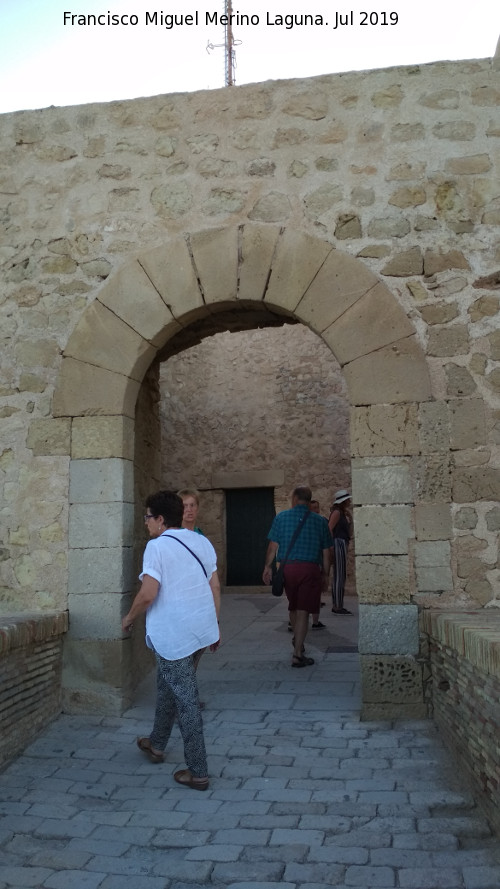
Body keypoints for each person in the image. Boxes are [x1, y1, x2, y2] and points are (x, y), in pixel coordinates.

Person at [121, 490, 221, 791]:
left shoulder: (157, 547)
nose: (146, 523)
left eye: (148, 517)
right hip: (199, 632)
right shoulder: (201, 541)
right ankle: (156, 743)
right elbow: (214, 585)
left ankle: (198, 771)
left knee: (186, 700)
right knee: (169, 686)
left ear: (161, 519)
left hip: (175, 635)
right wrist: (214, 624)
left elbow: (148, 593)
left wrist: (129, 618)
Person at [262, 485, 332, 667]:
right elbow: (326, 552)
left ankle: (297, 641)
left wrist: (267, 567)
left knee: (293, 607)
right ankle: (297, 653)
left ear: (294, 499)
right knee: (303, 611)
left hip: (288, 569)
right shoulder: (320, 521)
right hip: (309, 569)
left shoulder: (281, 518)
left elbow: (272, 546)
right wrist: (326, 574)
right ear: (309, 500)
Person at [329, 489, 352, 615]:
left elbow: (350, 532)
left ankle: (337, 604)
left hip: (341, 543)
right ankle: (337, 605)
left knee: (340, 575)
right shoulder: (337, 513)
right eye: (348, 499)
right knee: (339, 575)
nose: (349, 501)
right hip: (338, 543)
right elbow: (329, 528)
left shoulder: (342, 513)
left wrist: (350, 517)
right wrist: (331, 546)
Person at [309, 499, 329, 630]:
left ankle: (315, 621)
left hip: (316, 560)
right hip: (314, 561)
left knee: (315, 593)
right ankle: (315, 622)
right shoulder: (320, 522)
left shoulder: (321, 521)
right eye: (313, 507)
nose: (316, 510)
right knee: (314, 593)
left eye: (317, 507)